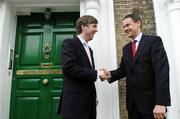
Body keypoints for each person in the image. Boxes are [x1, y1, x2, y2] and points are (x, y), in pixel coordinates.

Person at [100, 13, 171, 119]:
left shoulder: (153, 41)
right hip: (132, 105)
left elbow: (162, 72)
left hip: (152, 105)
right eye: (124, 27)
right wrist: (110, 74)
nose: (125, 29)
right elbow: (123, 70)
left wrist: (161, 102)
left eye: (128, 25)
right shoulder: (126, 48)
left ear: (138, 23)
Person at [57, 15, 105, 119]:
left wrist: (93, 96)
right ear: (83, 27)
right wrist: (96, 73)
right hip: (74, 103)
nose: (96, 30)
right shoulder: (69, 43)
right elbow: (69, 68)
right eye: (94, 26)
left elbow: (87, 76)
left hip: (89, 102)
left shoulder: (90, 49)